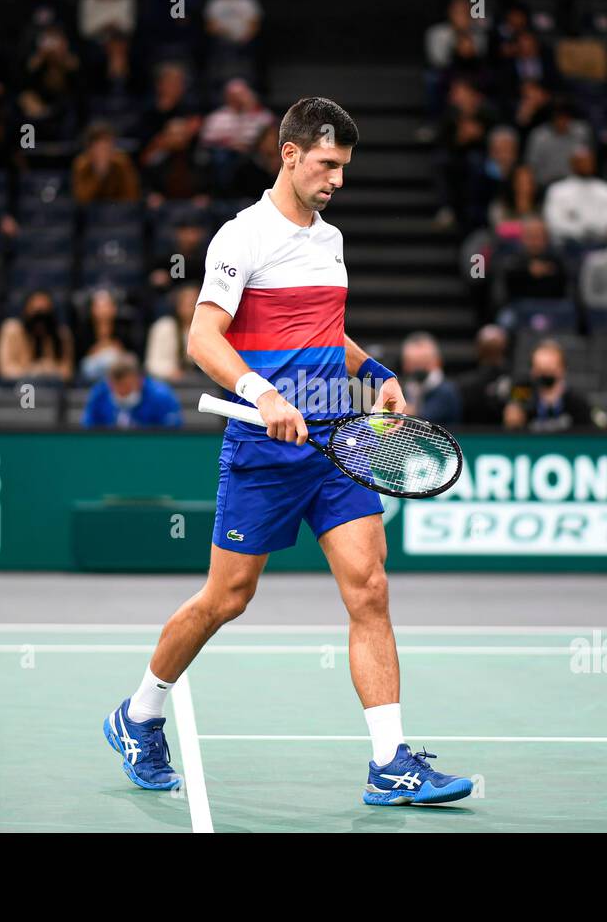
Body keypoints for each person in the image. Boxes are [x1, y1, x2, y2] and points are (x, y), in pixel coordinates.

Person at [103, 96, 473, 807]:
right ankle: (139, 713)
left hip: (335, 441)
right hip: (262, 449)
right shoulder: (240, 238)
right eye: (328, 164)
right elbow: (203, 338)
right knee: (226, 598)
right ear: (292, 154)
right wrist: (264, 395)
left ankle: (390, 762)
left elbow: (323, 331)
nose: (337, 178)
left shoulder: (329, 242)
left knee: (370, 587)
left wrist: (377, 373)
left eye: (345, 168)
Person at [503, 339, 597, 432]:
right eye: (539, 368)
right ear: (532, 370)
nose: (544, 374)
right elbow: (504, 404)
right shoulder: (523, 393)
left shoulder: (578, 403)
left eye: (549, 368)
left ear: (562, 369)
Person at [542, 147, 607, 244]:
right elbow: (553, 222)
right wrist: (580, 231)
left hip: (602, 242)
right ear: (572, 163)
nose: (585, 165)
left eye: (588, 161)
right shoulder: (557, 190)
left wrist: (593, 229)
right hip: (568, 244)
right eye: (581, 162)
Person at [81, 351, 182, 428]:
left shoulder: (161, 397)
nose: (122, 392)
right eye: (116, 387)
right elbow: (87, 428)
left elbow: (172, 430)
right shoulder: (99, 395)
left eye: (126, 386)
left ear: (138, 380)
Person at [0, 289, 75, 382]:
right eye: (36, 312)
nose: (40, 318)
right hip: (19, 389)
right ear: (26, 310)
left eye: (45, 313)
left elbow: (67, 371)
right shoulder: (12, 330)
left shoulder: (62, 335)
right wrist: (32, 371)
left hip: (50, 388)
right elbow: (5, 369)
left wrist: (49, 369)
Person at [398, 330, 462, 425]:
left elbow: (423, 420)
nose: (418, 369)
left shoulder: (447, 391)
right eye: (413, 363)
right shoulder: (404, 387)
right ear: (405, 365)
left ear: (437, 362)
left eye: (424, 362)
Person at [144, 283, 200, 382]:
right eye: (187, 304)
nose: (191, 308)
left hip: (199, 383)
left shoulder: (205, 331)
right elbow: (152, 364)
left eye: (195, 303)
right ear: (178, 306)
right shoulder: (163, 327)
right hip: (166, 383)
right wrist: (171, 372)